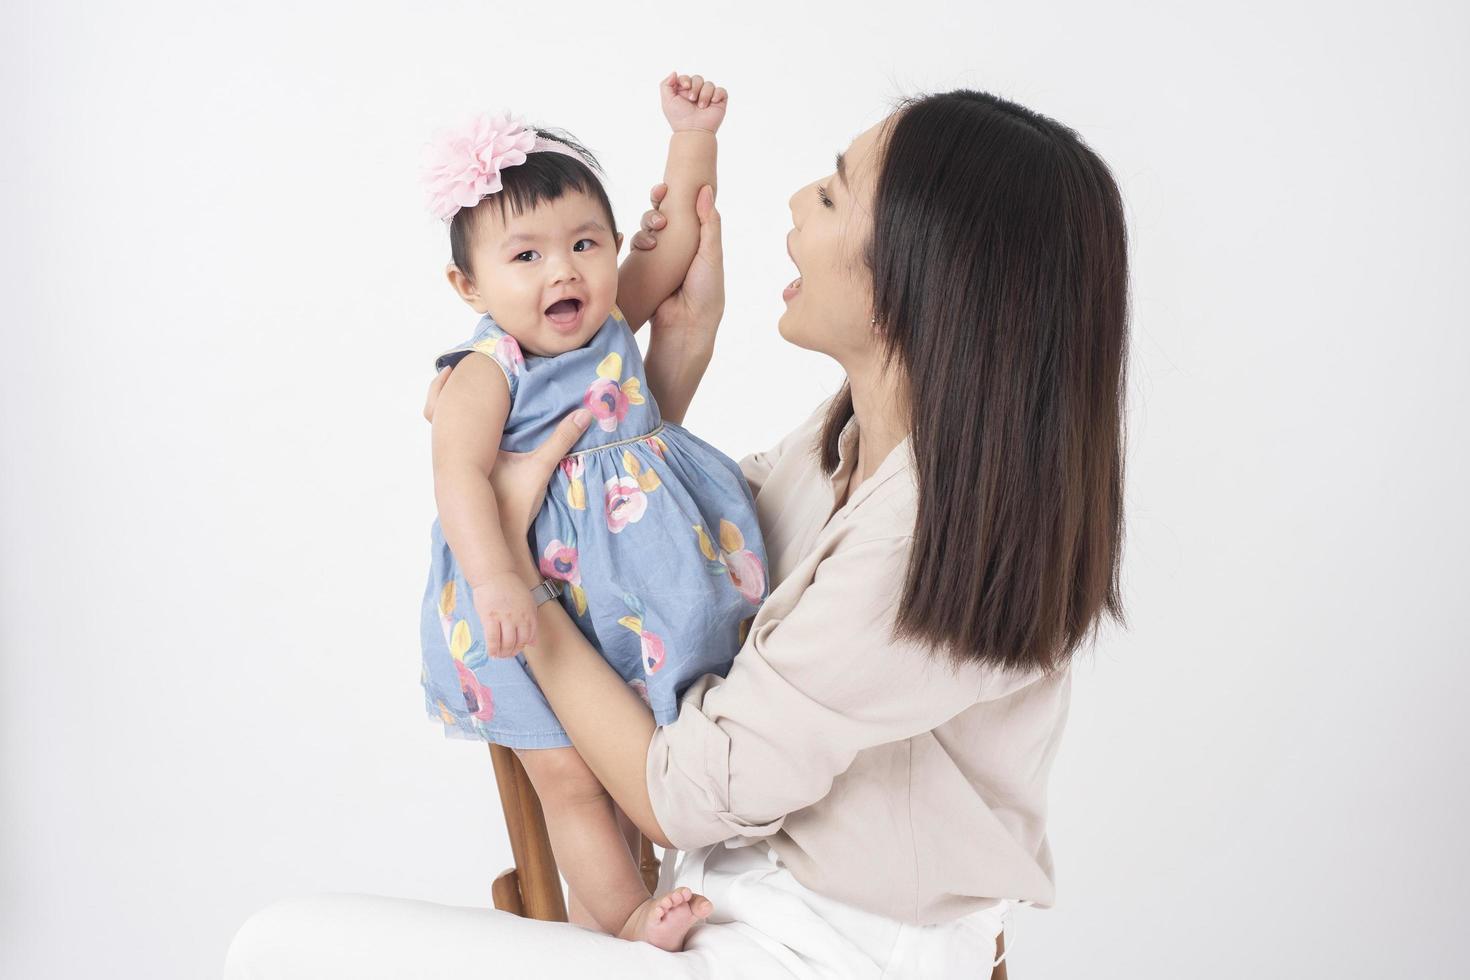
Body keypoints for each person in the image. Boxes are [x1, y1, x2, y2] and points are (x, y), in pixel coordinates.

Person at [224, 87, 1129, 979]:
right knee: (283, 942)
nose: (794, 202)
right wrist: (661, 366)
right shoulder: (850, 445)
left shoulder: (924, 541)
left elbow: (684, 793)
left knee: (275, 946)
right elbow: (679, 545)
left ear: (914, 277)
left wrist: (514, 566)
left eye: (830, 193)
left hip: (827, 948)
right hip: (727, 904)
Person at [418, 72, 764, 949]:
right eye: (525, 256)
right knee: (570, 779)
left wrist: (693, 136)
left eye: (584, 242)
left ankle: (612, 914)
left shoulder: (611, 322)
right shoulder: (485, 371)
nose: (563, 269)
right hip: (517, 604)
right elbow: (459, 480)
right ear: (469, 285)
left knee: (638, 762)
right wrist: (498, 582)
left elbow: (679, 239)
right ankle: (622, 918)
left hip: (620, 594)